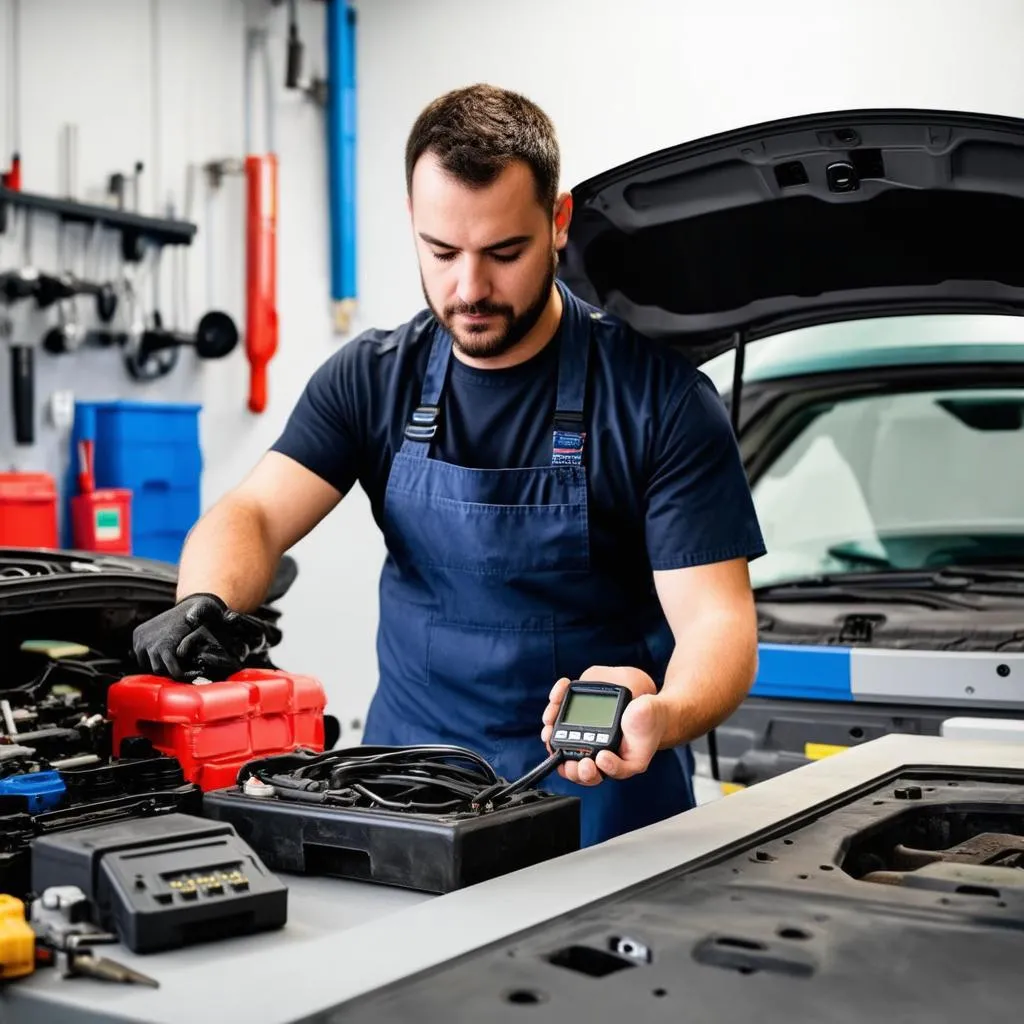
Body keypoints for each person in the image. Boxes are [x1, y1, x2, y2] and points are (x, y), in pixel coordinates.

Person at [132, 83, 766, 847]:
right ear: (413, 225)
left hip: (600, 806)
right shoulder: (373, 378)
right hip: (407, 796)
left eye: (504, 253)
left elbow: (718, 624)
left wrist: (663, 712)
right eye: (441, 252)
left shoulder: (659, 402)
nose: (469, 289)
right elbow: (255, 514)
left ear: (556, 222)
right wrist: (207, 599)